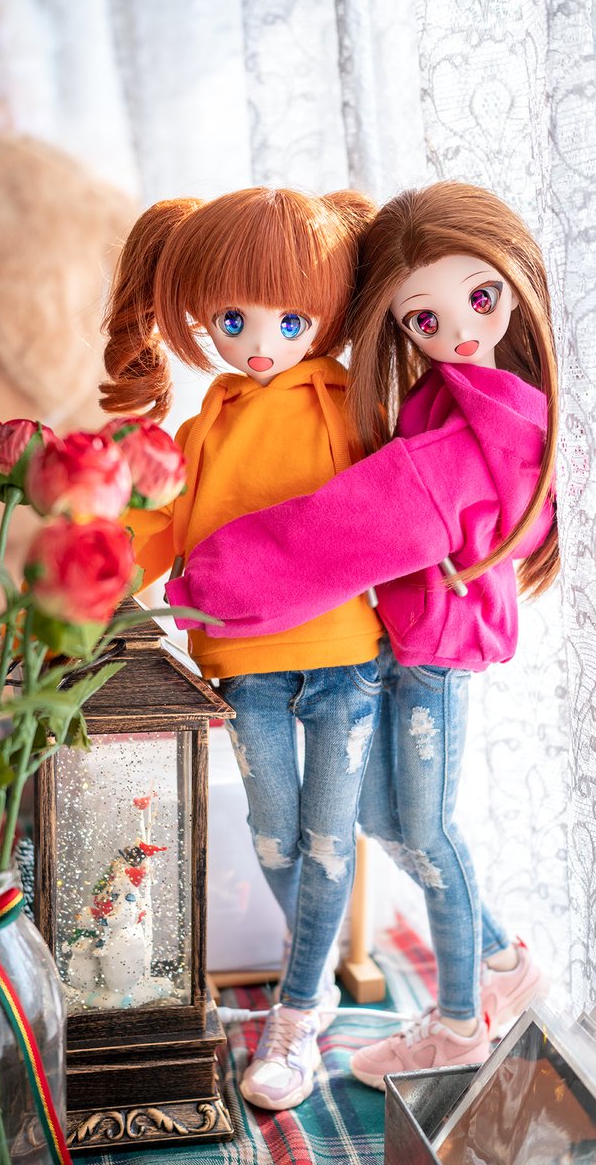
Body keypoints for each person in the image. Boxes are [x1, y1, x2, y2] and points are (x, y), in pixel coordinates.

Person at [165, 181, 558, 1086]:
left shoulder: (480, 427)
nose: (458, 331)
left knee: (428, 833)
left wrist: (206, 582)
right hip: (406, 642)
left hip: (433, 651)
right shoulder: (449, 398)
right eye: (424, 319)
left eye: (482, 298)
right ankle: (502, 961)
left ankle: (459, 1023)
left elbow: (353, 528)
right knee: (385, 820)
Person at [100, 187, 384, 1110]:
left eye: (290, 320)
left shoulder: (350, 407)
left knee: (329, 839)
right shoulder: (206, 426)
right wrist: (91, 574)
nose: (261, 343)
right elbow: (159, 524)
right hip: (244, 663)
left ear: (328, 314)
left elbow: (396, 513)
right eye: (233, 320)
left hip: (344, 654)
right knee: (275, 834)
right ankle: (315, 976)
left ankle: (298, 1010)